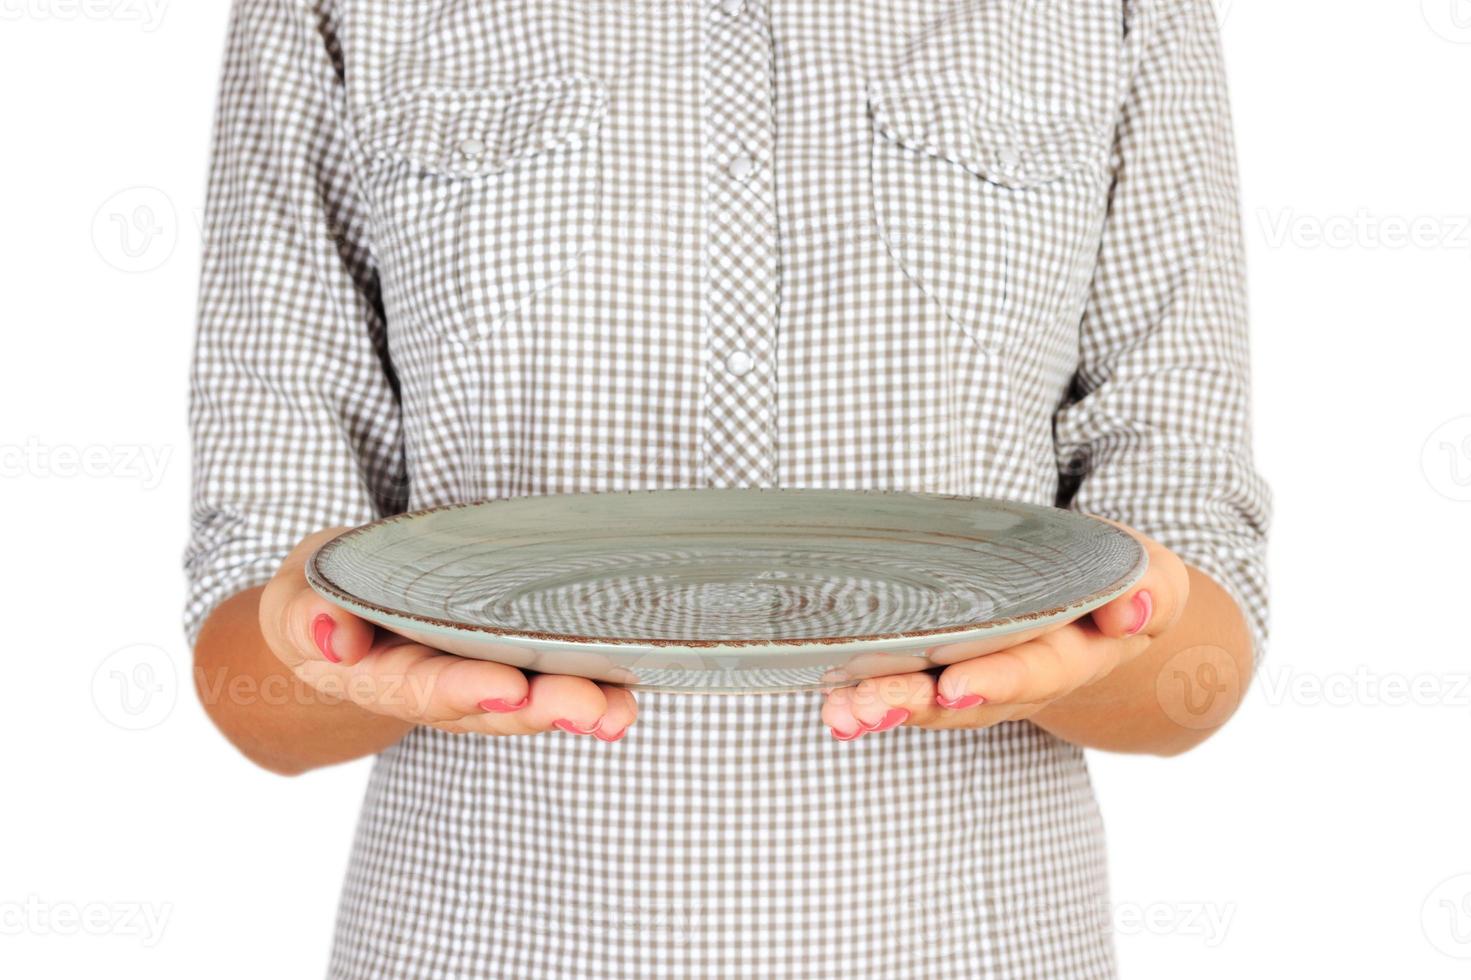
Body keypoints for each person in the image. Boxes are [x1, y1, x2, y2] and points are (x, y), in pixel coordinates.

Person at [187, 0, 1268, 975]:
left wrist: (1089, 652)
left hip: (979, 944)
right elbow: (252, 668)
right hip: (476, 940)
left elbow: (1198, 627)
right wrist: (325, 658)